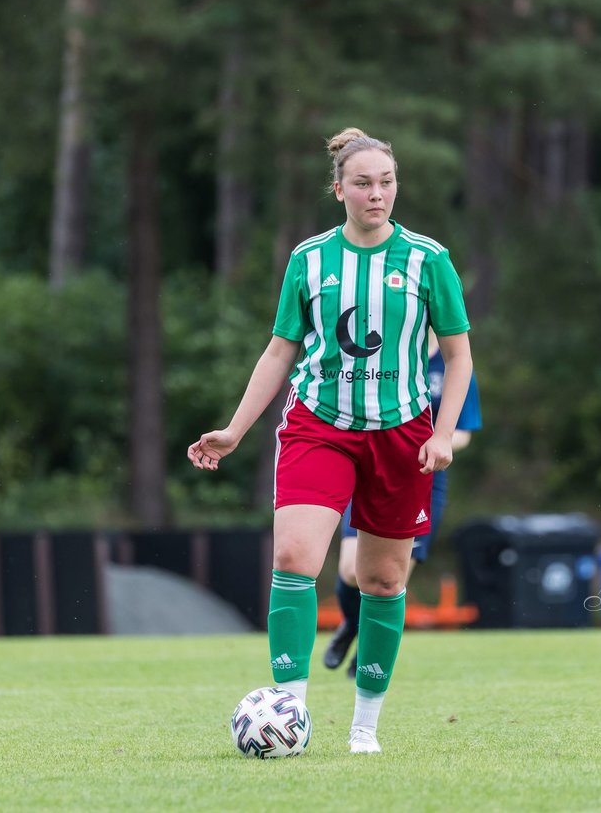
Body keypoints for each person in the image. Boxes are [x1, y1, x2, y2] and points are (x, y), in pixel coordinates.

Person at [188, 127, 473, 755]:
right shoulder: (308, 259)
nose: (377, 194)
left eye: (387, 182)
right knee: (294, 558)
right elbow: (280, 349)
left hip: (401, 434)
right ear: (338, 188)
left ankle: (364, 728)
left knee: (382, 579)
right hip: (319, 426)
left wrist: (445, 434)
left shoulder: (429, 260)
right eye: (364, 183)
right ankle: (289, 711)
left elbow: (458, 357)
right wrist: (235, 429)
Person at [323, 328, 482, 675]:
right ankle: (351, 625)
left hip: (425, 479)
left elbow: (464, 433)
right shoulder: (385, 355)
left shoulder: (454, 361)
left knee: (389, 580)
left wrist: (429, 444)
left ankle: (367, 657)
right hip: (375, 470)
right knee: (352, 570)